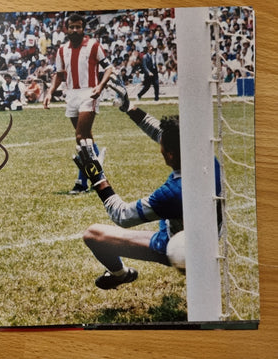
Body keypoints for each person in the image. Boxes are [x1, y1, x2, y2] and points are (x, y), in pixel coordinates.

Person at [74, 87, 221, 290]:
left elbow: (122, 215)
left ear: (169, 155)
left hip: (180, 246)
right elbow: (159, 131)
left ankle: (120, 274)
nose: (159, 143)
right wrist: (129, 107)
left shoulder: (173, 193)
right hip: (211, 235)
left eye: (163, 146)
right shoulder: (205, 157)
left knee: (93, 234)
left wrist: (97, 176)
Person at [43, 13, 117, 194]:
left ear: (83, 29)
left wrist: (100, 86)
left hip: (89, 93)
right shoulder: (62, 50)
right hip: (71, 95)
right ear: (66, 29)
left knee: (80, 137)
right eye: (72, 27)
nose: (75, 30)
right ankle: (99, 176)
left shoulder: (93, 45)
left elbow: (109, 68)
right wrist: (50, 92)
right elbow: (59, 75)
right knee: (86, 138)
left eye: (78, 27)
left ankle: (81, 182)